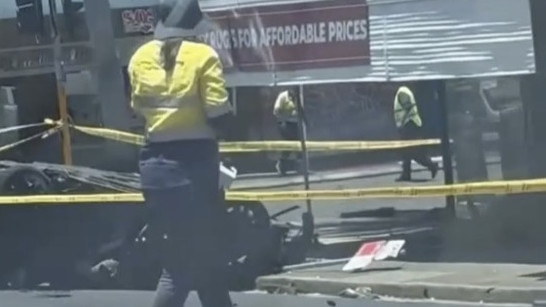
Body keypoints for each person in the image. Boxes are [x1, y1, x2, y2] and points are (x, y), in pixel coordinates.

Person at [127, 0, 234, 306]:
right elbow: (217, 112)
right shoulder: (203, 55)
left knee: (205, 260)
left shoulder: (139, 57)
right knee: (181, 267)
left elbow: (137, 109)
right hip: (194, 168)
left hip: (155, 168)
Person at [393, 85, 438, 182]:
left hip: (410, 124)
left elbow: (408, 107)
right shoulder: (403, 91)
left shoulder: (402, 92)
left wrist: (402, 123)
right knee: (406, 152)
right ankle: (406, 173)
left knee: (413, 151)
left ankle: (431, 165)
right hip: (409, 124)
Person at [273, 89, 301, 175]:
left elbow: (301, 110)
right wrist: (285, 118)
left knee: (298, 145)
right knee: (289, 145)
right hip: (286, 124)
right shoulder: (282, 96)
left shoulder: (298, 95)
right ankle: (282, 166)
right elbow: (276, 111)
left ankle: (299, 166)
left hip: (296, 123)